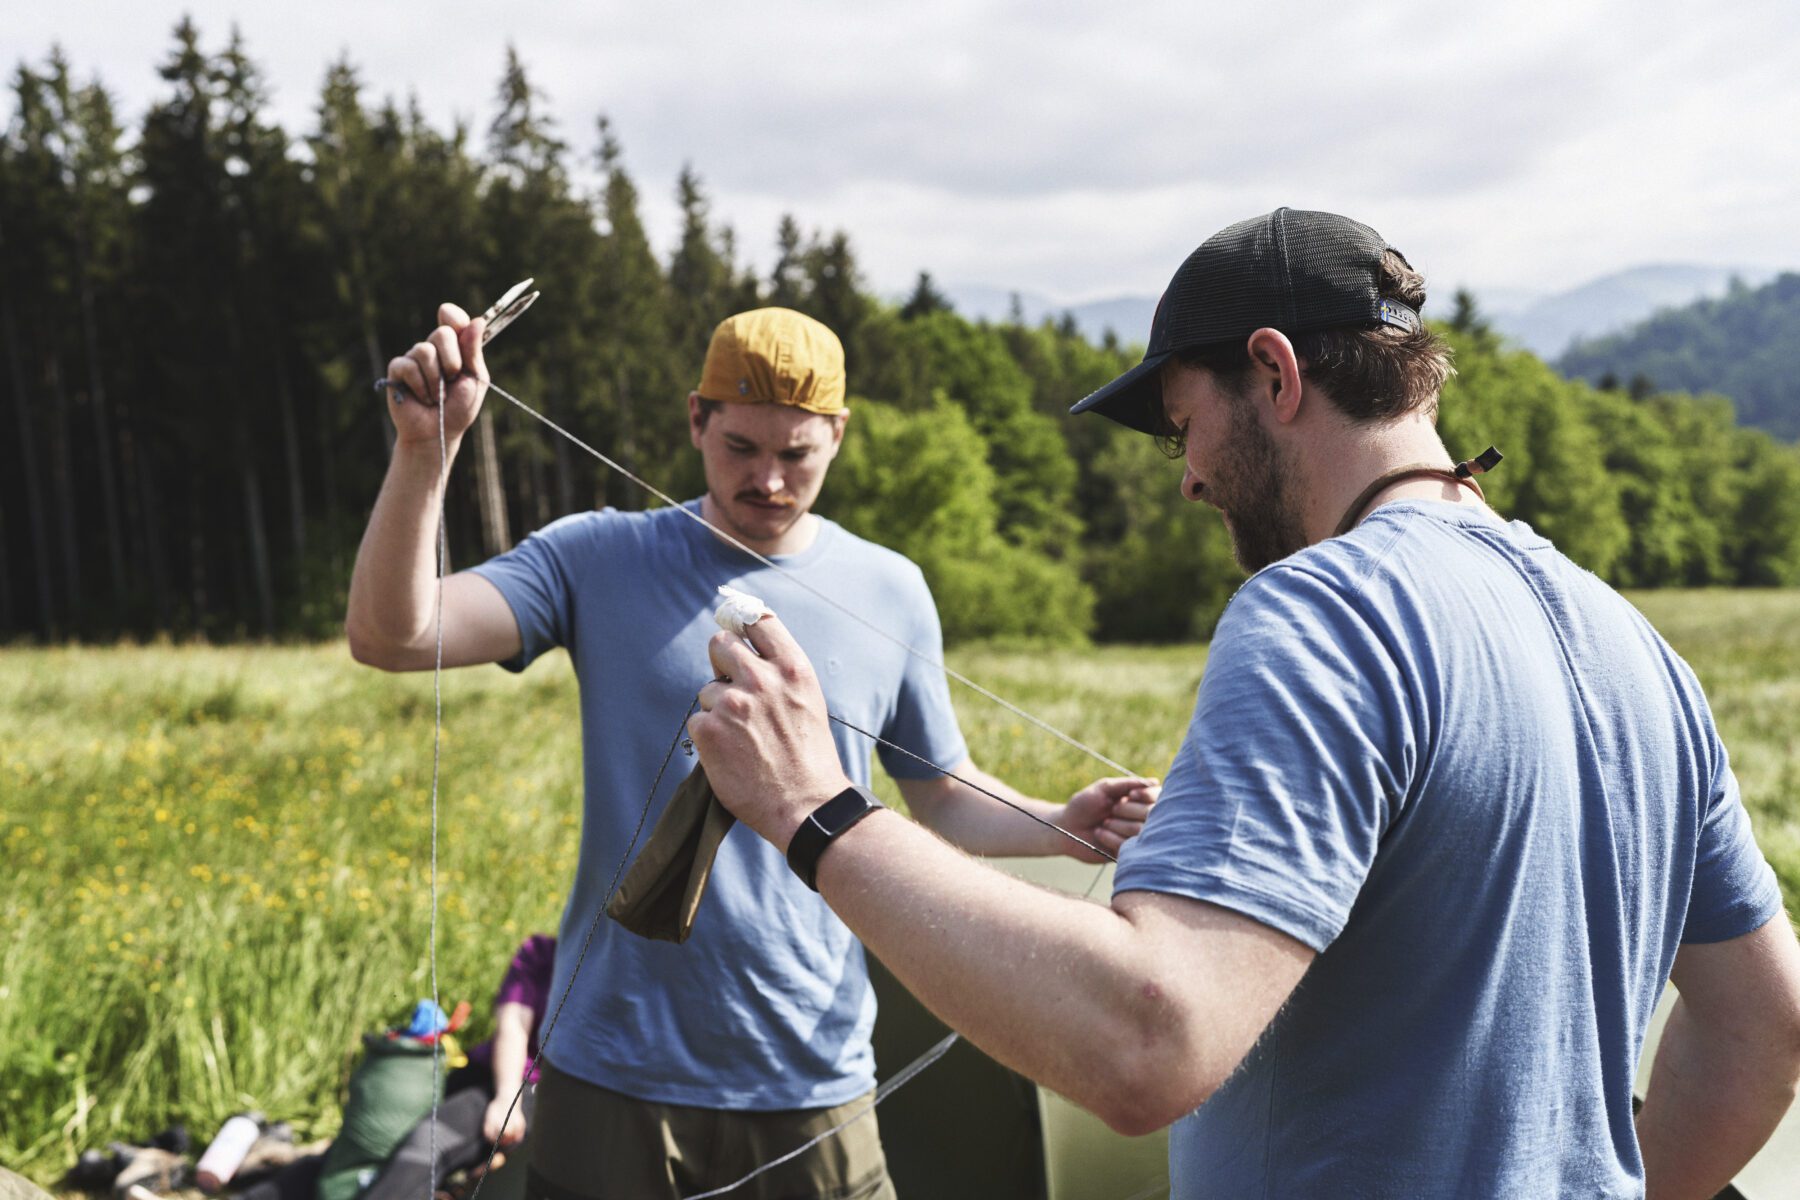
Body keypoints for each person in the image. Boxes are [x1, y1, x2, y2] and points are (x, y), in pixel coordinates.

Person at [687, 210, 1800, 1197]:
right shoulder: (1638, 645)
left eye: (1184, 428)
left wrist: (815, 808)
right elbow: (1763, 1034)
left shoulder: (1324, 606)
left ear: (1274, 374)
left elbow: (1147, 1040)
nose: (1187, 477)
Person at [345, 305, 1157, 1200]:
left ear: (838, 437)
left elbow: (939, 792)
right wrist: (426, 450)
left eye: (797, 454)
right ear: (696, 419)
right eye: (740, 448)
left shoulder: (892, 589)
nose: (768, 480)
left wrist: (1060, 824)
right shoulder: (595, 557)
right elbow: (394, 634)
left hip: (811, 1070)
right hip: (612, 1071)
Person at [238, 934, 553, 1200]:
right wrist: (505, 1094)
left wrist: (509, 1102)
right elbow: (512, 1024)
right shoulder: (541, 951)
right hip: (494, 1071)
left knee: (427, 1143)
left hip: (537, 1088)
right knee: (365, 1147)